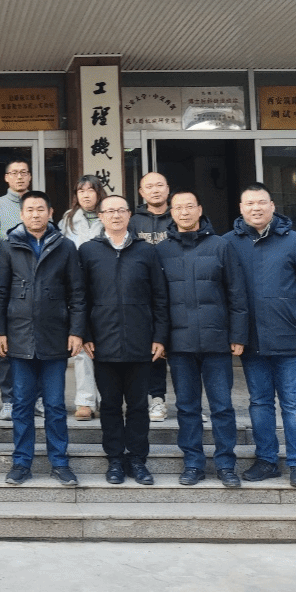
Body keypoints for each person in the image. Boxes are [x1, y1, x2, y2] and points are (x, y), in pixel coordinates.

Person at [226, 182, 296, 490]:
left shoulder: (294, 241)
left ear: (272, 206)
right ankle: (266, 461)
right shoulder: (229, 243)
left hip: (289, 335)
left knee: (293, 403)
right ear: (241, 209)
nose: (256, 208)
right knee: (260, 402)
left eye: (261, 202)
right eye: (249, 203)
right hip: (251, 339)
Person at [154, 189, 248, 489]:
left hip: (216, 341)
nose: (183, 212)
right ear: (171, 213)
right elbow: (158, 300)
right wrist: (161, 339)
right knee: (187, 407)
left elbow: (236, 293)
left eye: (189, 206)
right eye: (178, 208)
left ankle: (226, 464)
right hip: (179, 344)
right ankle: (193, 463)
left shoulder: (221, 246)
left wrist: (238, 334)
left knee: (222, 406)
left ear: (199, 209)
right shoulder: (161, 250)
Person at [0, 190, 87, 488]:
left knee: (56, 405)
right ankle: (21, 463)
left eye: (40, 209)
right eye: (30, 210)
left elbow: (77, 294)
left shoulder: (65, 246)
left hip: (55, 336)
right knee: (21, 404)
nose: (35, 214)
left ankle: (59, 462)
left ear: (50, 212)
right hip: (19, 336)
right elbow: (0, 292)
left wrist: (76, 331)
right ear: (21, 214)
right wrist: (0, 331)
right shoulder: (9, 246)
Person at [80, 194, 169, 485]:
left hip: (140, 342)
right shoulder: (89, 251)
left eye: (121, 210)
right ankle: (115, 460)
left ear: (130, 215)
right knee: (109, 405)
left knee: (139, 406)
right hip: (102, 342)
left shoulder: (146, 251)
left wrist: (159, 336)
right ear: (101, 216)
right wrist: (86, 334)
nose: (115, 215)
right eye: (109, 211)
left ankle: (138, 460)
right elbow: (81, 298)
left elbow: (160, 297)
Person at [0, 156, 33, 420]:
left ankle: (35, 398)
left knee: (36, 342)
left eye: (24, 172)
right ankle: (9, 400)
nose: (19, 177)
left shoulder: (37, 202)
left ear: (30, 176)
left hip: (35, 281)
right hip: (7, 280)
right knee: (6, 344)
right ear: (6, 178)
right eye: (14, 173)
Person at [60, 175, 107, 421]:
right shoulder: (68, 219)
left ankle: (108, 398)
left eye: (91, 190)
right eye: (81, 191)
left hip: (106, 287)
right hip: (76, 288)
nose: (86, 195)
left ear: (99, 192)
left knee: (105, 344)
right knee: (80, 345)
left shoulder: (109, 215)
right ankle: (85, 401)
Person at [128, 170, 173, 424]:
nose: (155, 190)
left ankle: (189, 402)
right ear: (141, 192)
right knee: (154, 348)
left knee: (182, 351)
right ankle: (157, 398)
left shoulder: (179, 215)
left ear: (168, 189)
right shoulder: (134, 221)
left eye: (159, 185)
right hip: (147, 295)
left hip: (178, 290)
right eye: (149, 187)